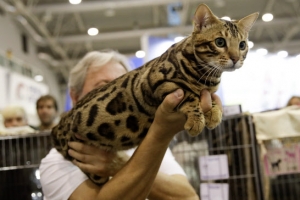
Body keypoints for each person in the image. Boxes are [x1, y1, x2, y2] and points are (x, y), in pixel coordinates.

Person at [40, 50, 222, 200]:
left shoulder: (141, 140)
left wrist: (118, 165)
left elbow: (188, 197)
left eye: (124, 86)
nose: (115, 95)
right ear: (74, 97)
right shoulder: (57, 162)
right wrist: (160, 133)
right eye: (103, 87)